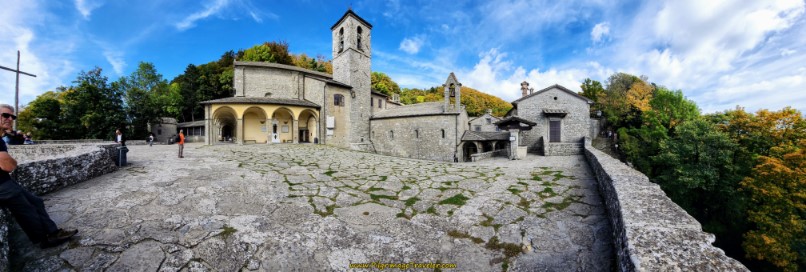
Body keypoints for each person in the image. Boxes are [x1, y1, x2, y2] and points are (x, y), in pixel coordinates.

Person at [0, 104, 77, 248]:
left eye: (12, 116)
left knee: (36, 201)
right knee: (27, 210)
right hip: (2, 185)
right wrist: (13, 161)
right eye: (5, 115)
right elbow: (8, 166)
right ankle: (44, 240)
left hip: (5, 180)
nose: (10, 119)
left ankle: (53, 232)